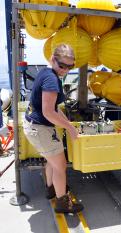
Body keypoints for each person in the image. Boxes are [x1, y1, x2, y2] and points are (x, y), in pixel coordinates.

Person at [23, 44, 84, 214]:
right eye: (62, 65)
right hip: (40, 128)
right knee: (60, 166)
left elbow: (55, 109)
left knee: (52, 160)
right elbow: (48, 112)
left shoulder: (45, 72)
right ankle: (63, 203)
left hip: (36, 126)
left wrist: (67, 124)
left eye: (70, 66)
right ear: (52, 58)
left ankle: (51, 190)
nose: (65, 70)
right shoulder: (51, 79)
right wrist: (69, 128)